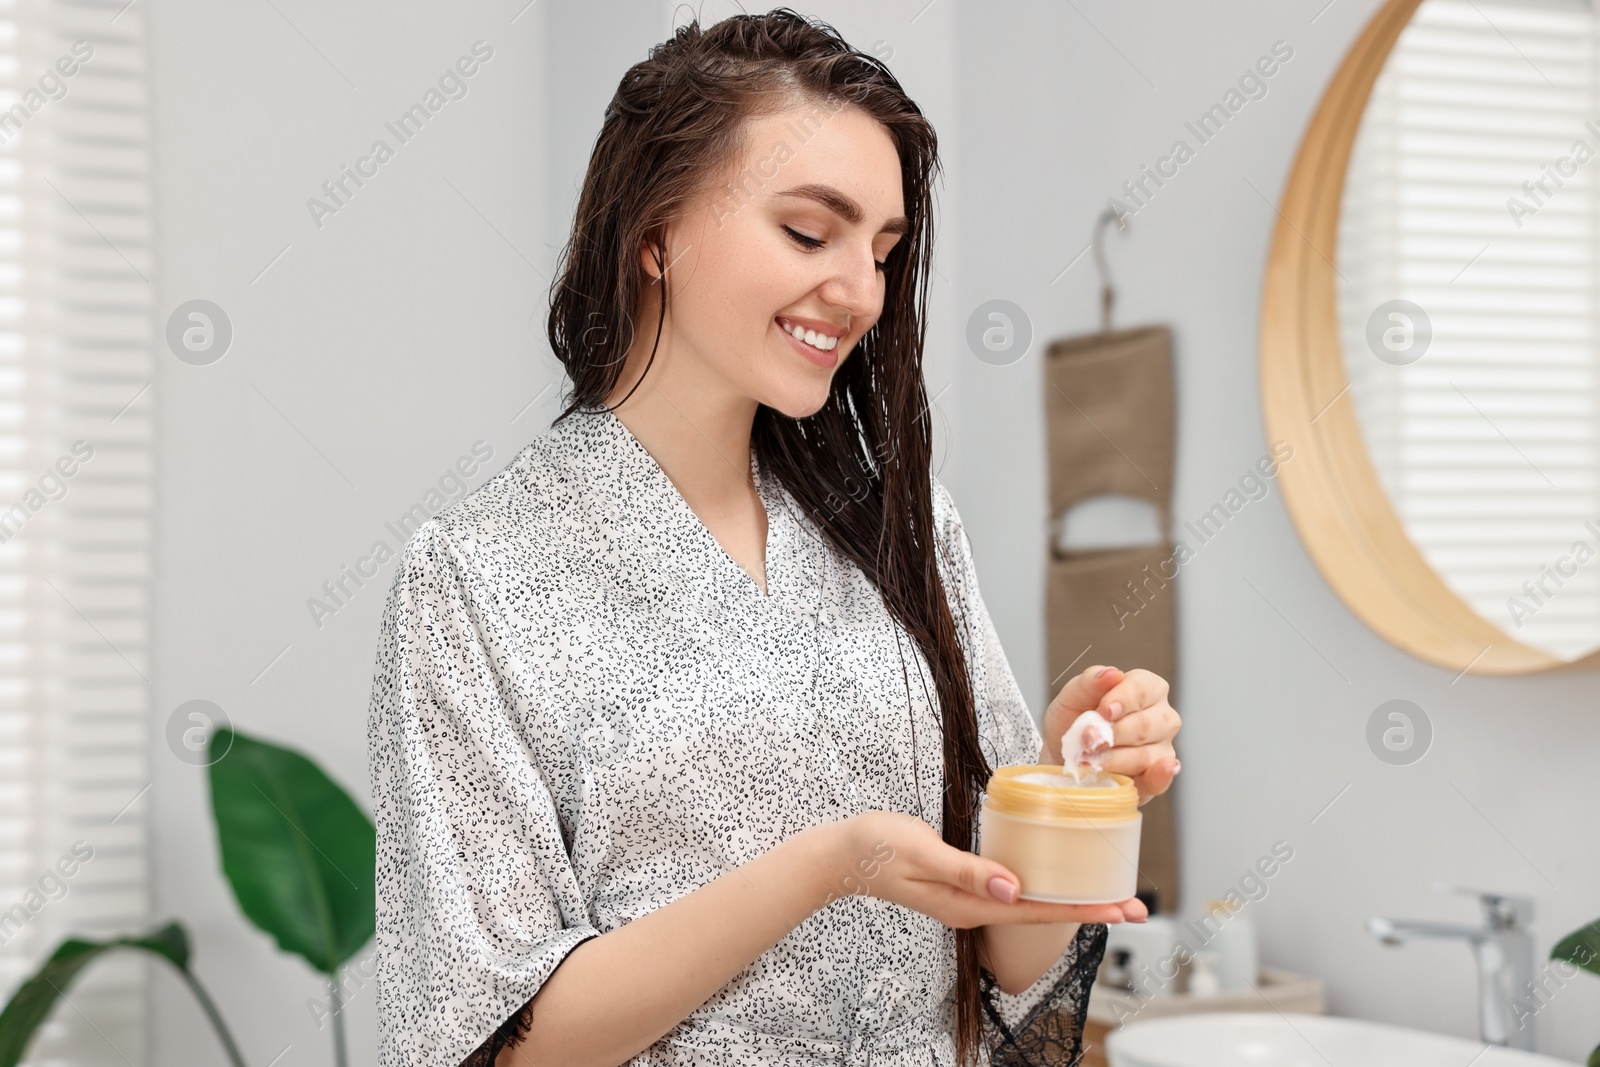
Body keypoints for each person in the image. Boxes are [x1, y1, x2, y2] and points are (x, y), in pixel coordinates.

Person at [365, 9, 1181, 1067]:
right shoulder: (475, 577)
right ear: (652, 232)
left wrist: (1066, 788)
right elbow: (498, 1041)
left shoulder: (903, 529)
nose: (858, 293)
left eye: (882, 250)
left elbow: (1004, 963)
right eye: (808, 232)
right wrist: (828, 863)